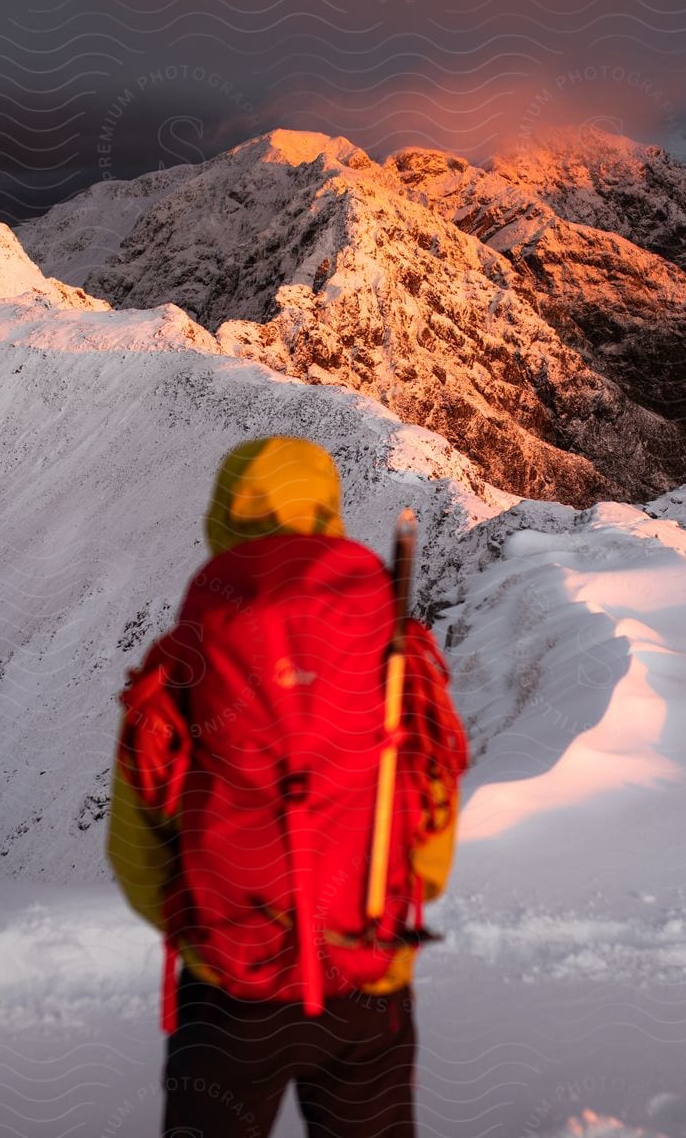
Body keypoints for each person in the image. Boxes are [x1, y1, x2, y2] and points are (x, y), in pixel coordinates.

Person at [107, 435, 471, 1138]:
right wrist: (386, 911)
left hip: (228, 997)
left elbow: (136, 845)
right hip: (370, 986)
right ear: (330, 516)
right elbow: (433, 805)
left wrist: (212, 940)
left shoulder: (183, 660)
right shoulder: (397, 650)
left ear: (222, 522)